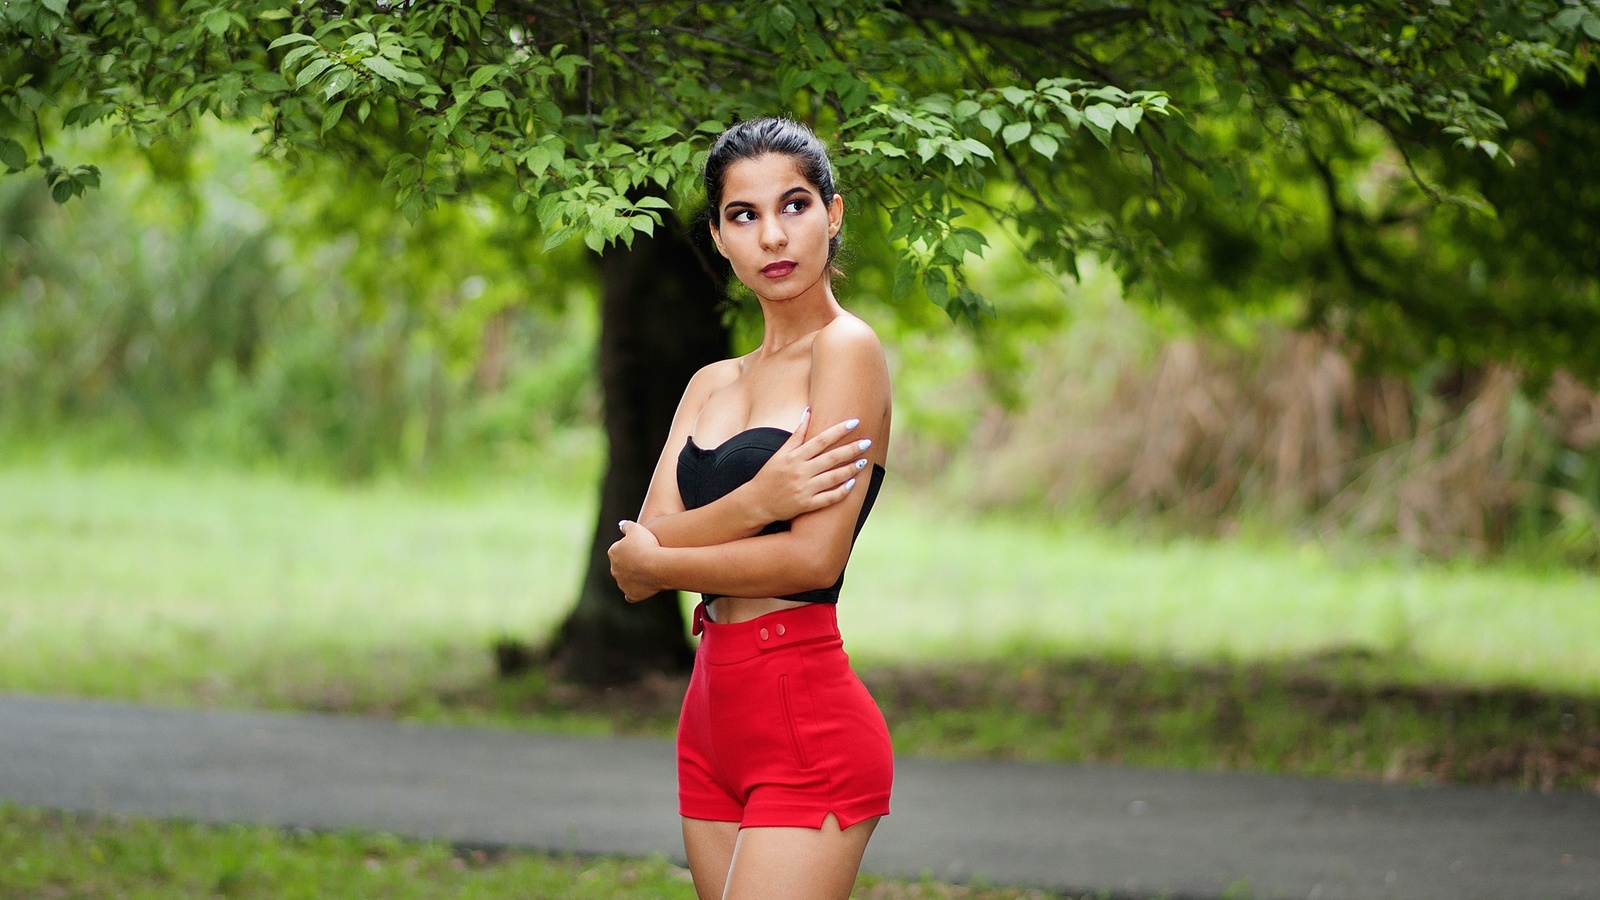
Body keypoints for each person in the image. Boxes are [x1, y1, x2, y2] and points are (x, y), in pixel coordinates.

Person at [607, 117, 894, 900]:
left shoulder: (847, 350)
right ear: (720, 238)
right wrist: (759, 499)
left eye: (794, 206)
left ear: (833, 215)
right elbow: (636, 566)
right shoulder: (711, 384)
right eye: (745, 215)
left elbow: (812, 558)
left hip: (805, 716)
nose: (773, 235)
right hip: (709, 717)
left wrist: (658, 559)